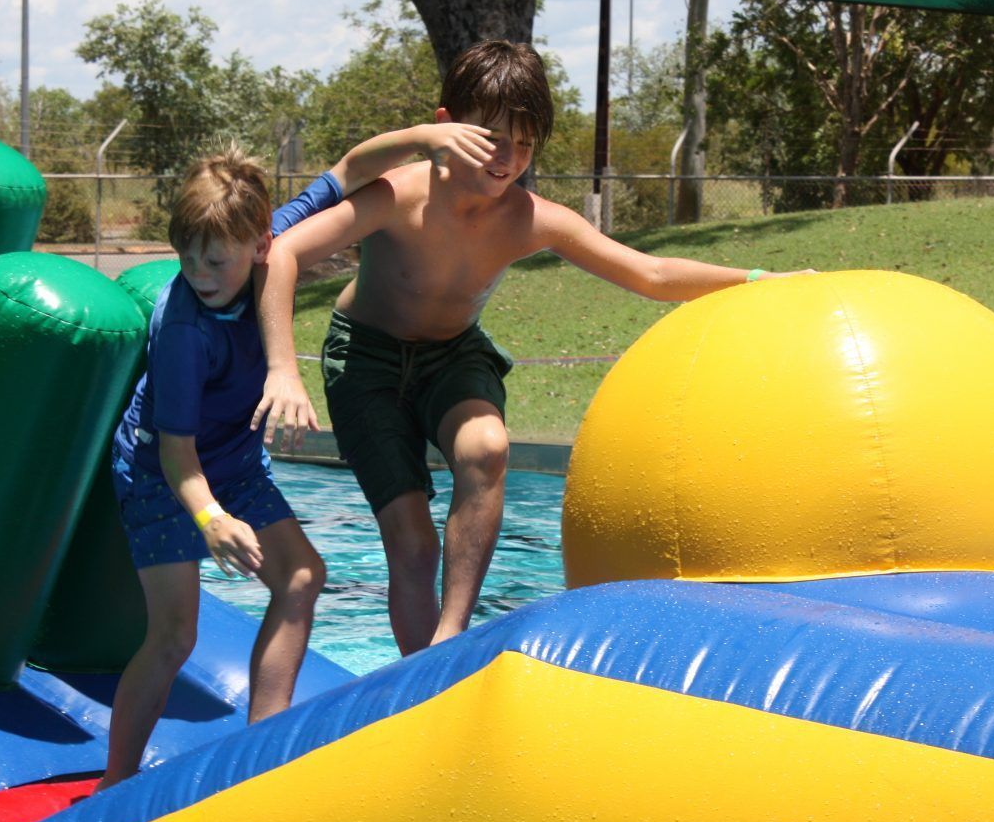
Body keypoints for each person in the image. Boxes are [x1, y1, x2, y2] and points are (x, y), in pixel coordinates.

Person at [268, 40, 798, 658]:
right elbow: (283, 253)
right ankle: (419, 679)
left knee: (488, 447)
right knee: (412, 545)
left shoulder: (530, 217)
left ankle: (450, 640)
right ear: (446, 128)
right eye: (493, 138)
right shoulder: (398, 194)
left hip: (452, 355)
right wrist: (284, 368)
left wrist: (760, 280)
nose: (507, 159)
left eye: (524, 145)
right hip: (366, 361)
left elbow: (649, 275)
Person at [98, 121, 498, 791]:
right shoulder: (183, 330)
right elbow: (176, 455)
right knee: (174, 637)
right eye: (187, 258)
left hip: (232, 459)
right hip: (160, 474)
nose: (200, 275)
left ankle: (259, 755)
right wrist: (210, 520)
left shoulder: (272, 237)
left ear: (260, 246)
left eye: (216, 261)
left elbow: (351, 165)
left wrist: (430, 136)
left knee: (302, 577)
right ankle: (114, 781)